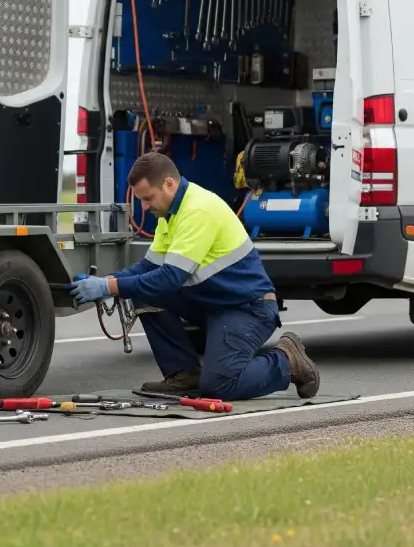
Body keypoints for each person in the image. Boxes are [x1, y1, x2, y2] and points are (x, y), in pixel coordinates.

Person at [67, 152, 320, 401]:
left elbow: (169, 279)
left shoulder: (197, 211)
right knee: (141, 291)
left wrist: (109, 286)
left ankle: (287, 360)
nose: (144, 206)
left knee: (220, 386)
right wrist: (104, 282)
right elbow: (147, 267)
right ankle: (184, 375)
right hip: (214, 303)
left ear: (169, 184)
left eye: (147, 198)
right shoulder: (169, 213)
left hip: (247, 308)